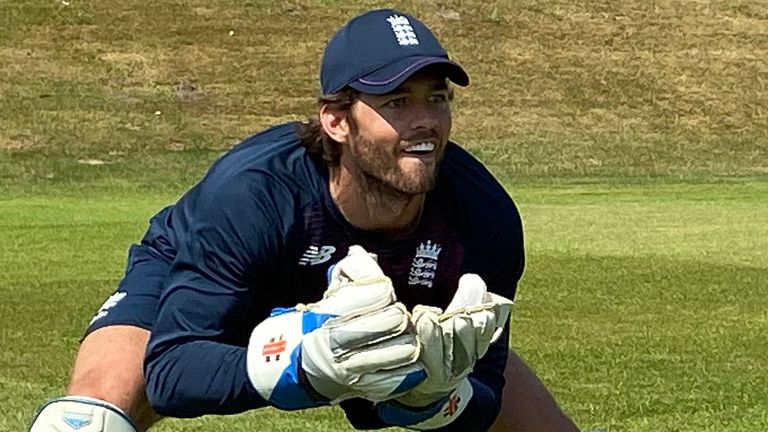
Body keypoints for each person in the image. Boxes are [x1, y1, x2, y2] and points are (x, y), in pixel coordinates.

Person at [29, 8, 579, 432]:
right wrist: (304, 364)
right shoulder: (252, 192)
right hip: (208, 271)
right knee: (87, 420)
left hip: (384, 301)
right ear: (337, 121)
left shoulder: (483, 218)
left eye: (435, 99)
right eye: (396, 102)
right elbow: (173, 372)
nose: (425, 123)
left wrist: (430, 397)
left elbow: (484, 385)